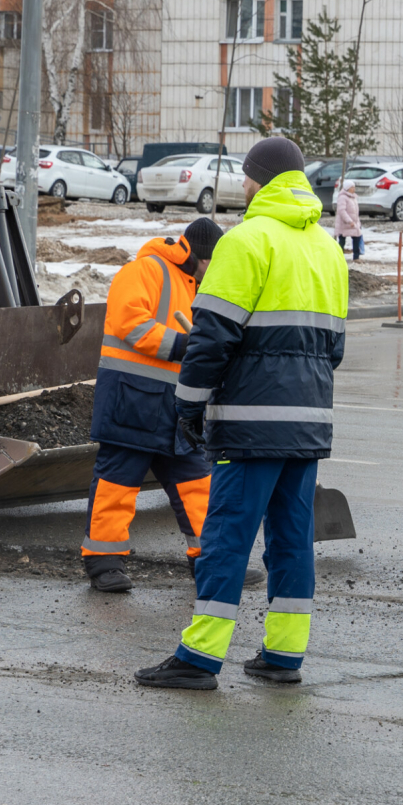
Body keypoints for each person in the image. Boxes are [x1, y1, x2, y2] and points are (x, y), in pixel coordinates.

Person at [135, 136, 348, 690]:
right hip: (308, 423)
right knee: (291, 539)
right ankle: (283, 656)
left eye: (247, 176)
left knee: (227, 534)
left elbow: (210, 339)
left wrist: (188, 403)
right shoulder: (328, 248)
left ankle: (199, 659)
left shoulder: (244, 241)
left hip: (249, 422)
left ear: (258, 179)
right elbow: (336, 349)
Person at [82, 218, 269, 592]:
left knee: (198, 484)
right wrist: (187, 346)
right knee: (117, 483)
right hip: (131, 401)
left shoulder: (198, 285)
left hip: (174, 408)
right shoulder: (142, 271)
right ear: (199, 256)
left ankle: (210, 563)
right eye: (213, 264)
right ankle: (103, 564)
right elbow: (130, 325)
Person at [334, 179, 364, 260]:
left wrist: (357, 222)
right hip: (344, 223)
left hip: (354, 223)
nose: (354, 189)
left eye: (354, 187)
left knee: (357, 238)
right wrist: (349, 220)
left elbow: (355, 211)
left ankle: (356, 257)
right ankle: (339, 257)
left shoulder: (353, 197)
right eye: (352, 187)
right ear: (347, 188)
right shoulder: (342, 197)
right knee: (342, 240)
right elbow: (341, 211)